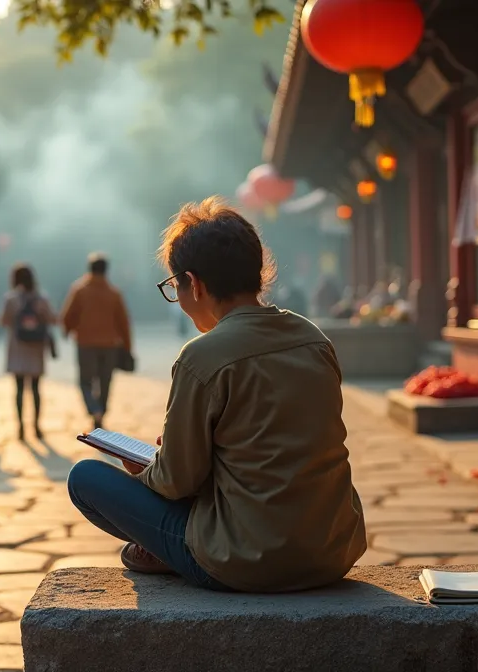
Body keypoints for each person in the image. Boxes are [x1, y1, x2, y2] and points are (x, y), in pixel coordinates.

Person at [66, 197, 366, 593]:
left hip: (246, 561)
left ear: (195, 283)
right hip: (332, 551)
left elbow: (177, 481)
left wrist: (151, 469)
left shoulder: (202, 357)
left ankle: (168, 551)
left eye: (175, 286)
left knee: (85, 478)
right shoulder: (314, 339)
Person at [60, 253, 132, 430]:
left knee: (85, 381)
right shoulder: (114, 293)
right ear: (106, 270)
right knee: (105, 380)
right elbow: (124, 323)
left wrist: (68, 330)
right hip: (110, 345)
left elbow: (68, 315)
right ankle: (101, 412)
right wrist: (128, 347)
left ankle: (94, 409)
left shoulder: (79, 290)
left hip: (85, 343)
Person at [0, 263, 54, 440]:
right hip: (36, 348)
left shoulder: (11, 299)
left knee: (19, 388)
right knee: (36, 388)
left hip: (17, 348)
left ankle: (20, 427)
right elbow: (52, 318)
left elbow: (3, 321)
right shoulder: (41, 298)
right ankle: (36, 426)